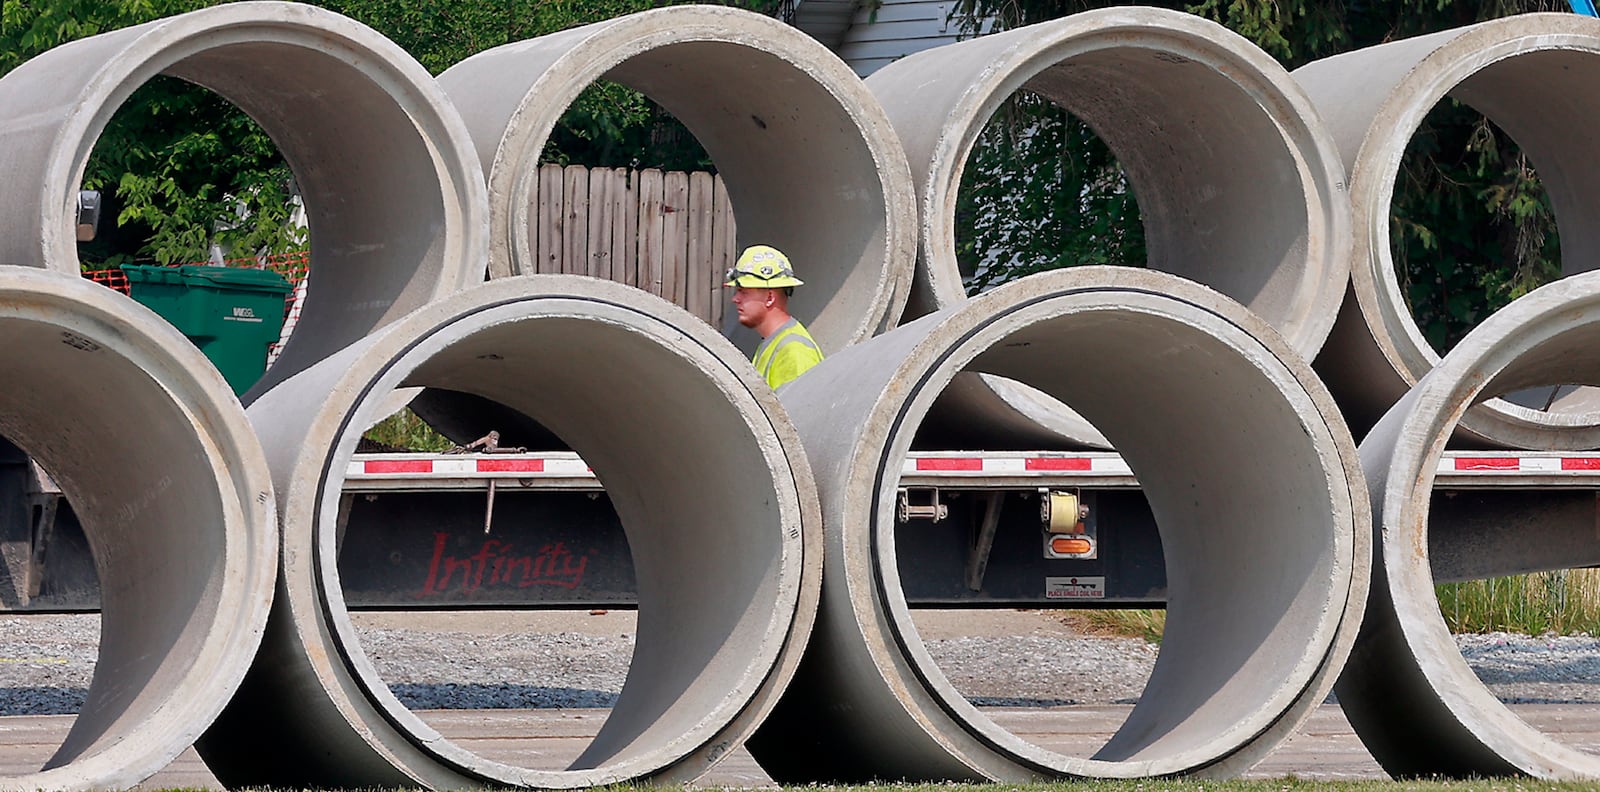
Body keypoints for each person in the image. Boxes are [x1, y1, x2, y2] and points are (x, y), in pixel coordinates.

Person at [724, 244, 824, 389]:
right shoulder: (772, 342)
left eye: (743, 292)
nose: (735, 299)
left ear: (770, 297)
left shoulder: (793, 351)